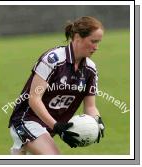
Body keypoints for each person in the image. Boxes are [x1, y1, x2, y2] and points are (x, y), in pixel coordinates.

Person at [8, 16, 105, 155]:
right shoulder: (53, 60)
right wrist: (56, 126)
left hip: (48, 127)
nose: (96, 47)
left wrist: (97, 121)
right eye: (93, 41)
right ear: (77, 37)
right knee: (55, 159)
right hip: (26, 120)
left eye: (98, 42)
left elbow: (90, 106)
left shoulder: (90, 69)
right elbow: (34, 99)